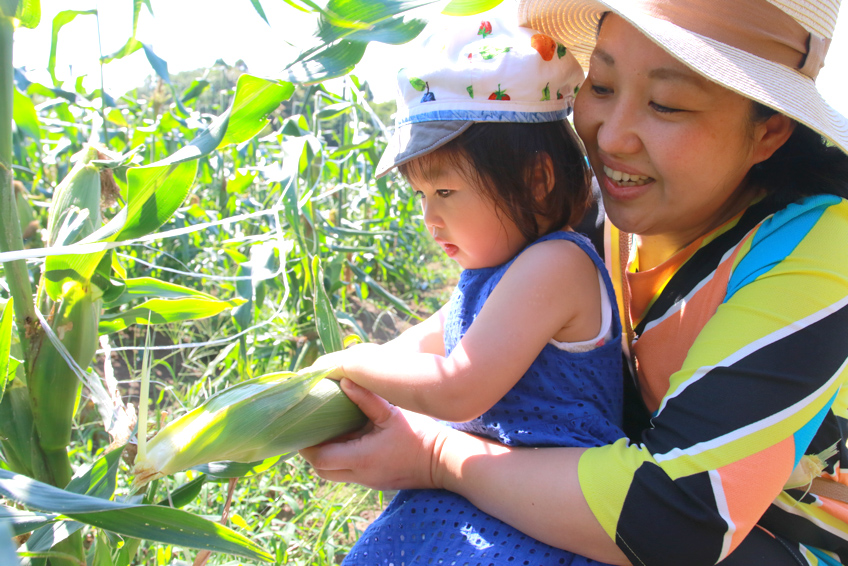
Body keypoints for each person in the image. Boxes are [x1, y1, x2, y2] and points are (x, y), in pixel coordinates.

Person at [302, 0, 848, 564]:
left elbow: (682, 520)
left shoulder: (819, 252)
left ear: (770, 131)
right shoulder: (608, 206)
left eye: (666, 103)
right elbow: (474, 326)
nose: (611, 138)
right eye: (603, 85)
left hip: (777, 538)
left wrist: (438, 456)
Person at [313, 12, 625, 565]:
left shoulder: (556, 265)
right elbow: (416, 348)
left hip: (539, 522)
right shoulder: (491, 279)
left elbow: (457, 388)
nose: (429, 218)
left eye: (446, 191)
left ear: (537, 179)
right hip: (486, 502)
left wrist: (351, 360)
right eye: (421, 196)